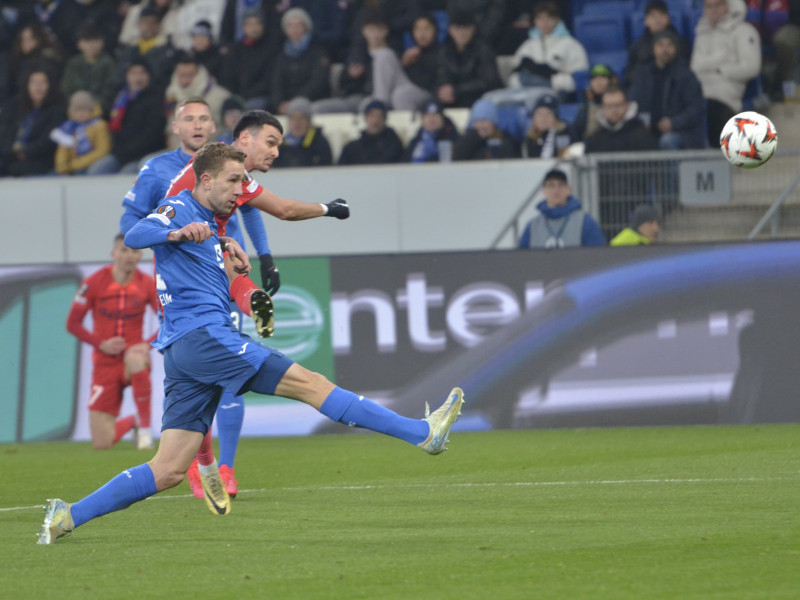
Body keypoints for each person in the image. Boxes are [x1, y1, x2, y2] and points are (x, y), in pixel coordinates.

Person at [37, 141, 464, 544]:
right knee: (312, 384)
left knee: (167, 469)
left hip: (184, 352)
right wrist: (176, 234)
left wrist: (226, 256)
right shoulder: (178, 208)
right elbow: (134, 235)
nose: (240, 190)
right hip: (205, 338)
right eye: (232, 181)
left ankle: (67, 515)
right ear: (205, 180)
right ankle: (422, 434)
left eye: (243, 182)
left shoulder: (213, 228)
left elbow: (205, 270)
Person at [163, 110, 350, 500]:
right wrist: (328, 208)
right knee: (213, 370)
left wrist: (265, 257)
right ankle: (208, 464)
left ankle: (218, 467)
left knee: (223, 367)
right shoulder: (206, 172)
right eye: (271, 142)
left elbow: (248, 208)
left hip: (205, 257)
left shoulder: (235, 180)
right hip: (183, 274)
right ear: (243, 140)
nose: (276, 152)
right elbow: (281, 209)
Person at [65, 233, 159, 451]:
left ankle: (145, 431)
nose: (129, 256)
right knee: (102, 443)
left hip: (132, 362)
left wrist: (147, 345)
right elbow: (73, 324)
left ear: (139, 256)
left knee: (136, 358)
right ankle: (134, 421)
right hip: (105, 364)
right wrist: (101, 344)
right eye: (124, 250)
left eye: (134, 251)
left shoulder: (147, 284)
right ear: (113, 254)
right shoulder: (94, 282)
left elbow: (169, 322)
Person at [690, 0, 761, 148]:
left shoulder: (744, 30)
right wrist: (719, 63)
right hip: (698, 91)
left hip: (726, 94)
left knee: (714, 108)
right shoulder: (701, 32)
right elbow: (695, 66)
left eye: (718, 5)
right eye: (709, 6)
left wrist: (722, 71)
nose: (713, 10)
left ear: (728, 6)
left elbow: (751, 67)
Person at [627, 30, 705, 150]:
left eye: (670, 45)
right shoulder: (642, 75)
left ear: (676, 49)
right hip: (648, 130)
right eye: (661, 45)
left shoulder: (686, 76)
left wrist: (673, 123)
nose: (665, 49)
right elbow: (632, 103)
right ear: (653, 49)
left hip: (681, 132)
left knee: (667, 140)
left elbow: (695, 108)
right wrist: (641, 123)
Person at [507, 2, 588, 98]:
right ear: (535, 21)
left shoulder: (571, 45)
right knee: (492, 99)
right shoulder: (527, 45)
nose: (544, 23)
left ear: (557, 20)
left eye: (549, 18)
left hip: (556, 92)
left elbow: (578, 78)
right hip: (527, 92)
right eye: (540, 19)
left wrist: (551, 79)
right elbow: (514, 76)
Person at [518, 168, 606, 249]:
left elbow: (597, 254)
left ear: (568, 190)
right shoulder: (533, 226)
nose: (556, 190)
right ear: (544, 191)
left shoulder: (585, 221)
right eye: (551, 186)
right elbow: (522, 258)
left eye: (561, 185)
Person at [2, 68, 65, 177]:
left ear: (50, 86)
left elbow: (48, 140)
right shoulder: (15, 107)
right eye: (34, 83)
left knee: (15, 169)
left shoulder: (56, 110)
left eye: (42, 83)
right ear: (27, 86)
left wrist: (25, 152)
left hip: (40, 159)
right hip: (11, 155)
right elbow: (5, 133)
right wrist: (11, 151)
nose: (38, 87)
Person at [270, 8, 331, 115]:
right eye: (290, 26)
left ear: (306, 27)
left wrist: (295, 102)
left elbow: (318, 82)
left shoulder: (318, 52)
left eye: (298, 25)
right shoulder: (281, 55)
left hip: (312, 101)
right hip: (285, 105)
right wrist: (279, 103)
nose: (294, 29)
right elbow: (276, 82)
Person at [436, 10, 502, 108]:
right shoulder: (444, 52)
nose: (462, 33)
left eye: (466, 28)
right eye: (457, 28)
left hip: (480, 97)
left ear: (473, 29)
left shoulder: (484, 50)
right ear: (450, 30)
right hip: (455, 97)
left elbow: (489, 81)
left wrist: (458, 89)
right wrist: (444, 89)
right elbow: (441, 76)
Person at [164, 55, 231, 149]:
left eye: (190, 75)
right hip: (178, 155)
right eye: (181, 76)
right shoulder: (173, 96)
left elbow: (228, 131)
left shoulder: (221, 97)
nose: (185, 81)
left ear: (200, 74)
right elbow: (170, 132)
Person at [220, 9, 276, 111]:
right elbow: (228, 77)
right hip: (237, 96)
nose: (253, 28)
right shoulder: (235, 50)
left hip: (260, 97)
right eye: (249, 24)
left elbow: (269, 80)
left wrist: (245, 95)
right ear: (243, 27)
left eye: (257, 24)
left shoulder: (270, 50)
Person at [59, 23, 117, 118]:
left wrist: (97, 107)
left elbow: (110, 90)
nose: (91, 46)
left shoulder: (108, 63)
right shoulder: (74, 63)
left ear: (102, 42)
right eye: (87, 42)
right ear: (79, 44)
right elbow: (66, 88)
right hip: (75, 110)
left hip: (99, 112)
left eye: (95, 41)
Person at [624, 0, 689, 84]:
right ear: (646, 21)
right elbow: (629, 74)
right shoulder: (636, 46)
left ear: (668, 19)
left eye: (661, 15)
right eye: (653, 16)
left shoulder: (680, 43)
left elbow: (686, 69)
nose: (658, 21)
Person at [115, 5, 179, 89]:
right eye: (145, 22)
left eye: (153, 22)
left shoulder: (168, 51)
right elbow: (119, 76)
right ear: (139, 25)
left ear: (159, 26)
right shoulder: (130, 49)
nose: (148, 26)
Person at [584, 86, 658, 154]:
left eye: (618, 105)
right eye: (609, 106)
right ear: (603, 109)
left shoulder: (642, 136)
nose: (614, 110)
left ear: (626, 106)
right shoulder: (596, 139)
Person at [52, 90, 111, 175]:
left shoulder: (99, 125)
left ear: (91, 110)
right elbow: (63, 149)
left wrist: (77, 164)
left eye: (84, 110)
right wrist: (62, 165)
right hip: (73, 166)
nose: (81, 114)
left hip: (92, 164)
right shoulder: (69, 128)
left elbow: (102, 150)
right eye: (77, 111)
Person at [338, 99, 404, 165]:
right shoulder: (352, 148)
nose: (376, 120)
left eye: (380, 116)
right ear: (366, 118)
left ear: (384, 120)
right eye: (372, 116)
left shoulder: (394, 145)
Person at [273, 96, 333, 168]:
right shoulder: (281, 145)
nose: (297, 123)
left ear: (309, 121)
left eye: (301, 118)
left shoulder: (320, 142)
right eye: (293, 118)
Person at [453, 98, 521, 161]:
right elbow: (457, 158)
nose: (481, 125)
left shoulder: (507, 140)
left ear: (494, 124)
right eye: (477, 121)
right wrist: (474, 138)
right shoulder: (467, 140)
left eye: (484, 121)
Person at [400, 13, 442, 102]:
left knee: (401, 95)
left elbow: (428, 82)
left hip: (431, 95)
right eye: (417, 29)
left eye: (426, 28)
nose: (422, 33)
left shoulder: (442, 52)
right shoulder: (409, 54)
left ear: (435, 30)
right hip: (410, 90)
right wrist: (403, 64)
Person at [571, 63, 615, 143]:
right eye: (595, 78)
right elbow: (576, 134)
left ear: (611, 80)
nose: (599, 81)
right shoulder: (585, 107)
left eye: (603, 77)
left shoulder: (620, 104)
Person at [522, 93, 573, 159]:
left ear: (555, 118)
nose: (543, 119)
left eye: (548, 114)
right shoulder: (530, 138)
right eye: (540, 114)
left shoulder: (565, 133)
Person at [188, 19, 226, 83]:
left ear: (210, 39)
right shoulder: (189, 58)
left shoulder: (220, 58)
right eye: (196, 37)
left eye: (203, 37)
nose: (199, 41)